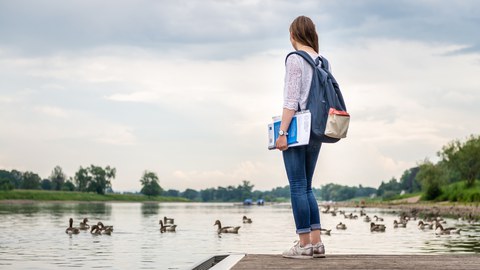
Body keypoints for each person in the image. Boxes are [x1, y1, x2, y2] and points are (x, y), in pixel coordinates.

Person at [275, 15, 327, 259]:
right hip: (316, 129)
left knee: (297, 186)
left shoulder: (295, 59)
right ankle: (316, 243)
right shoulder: (322, 61)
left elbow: (291, 100)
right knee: (307, 186)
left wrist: (282, 133)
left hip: (299, 129)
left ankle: (303, 244)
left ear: (294, 35)